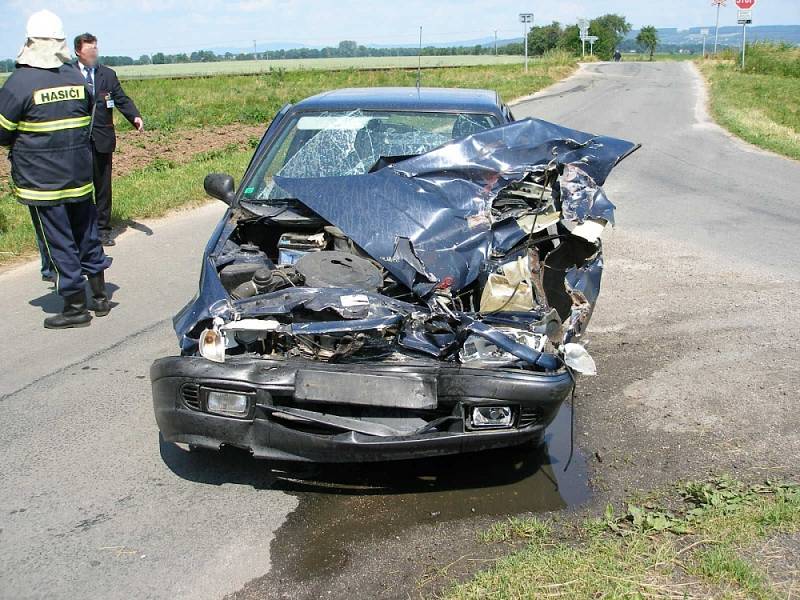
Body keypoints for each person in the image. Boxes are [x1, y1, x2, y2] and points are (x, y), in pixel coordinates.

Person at [0, 10, 112, 329]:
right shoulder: (76, 77)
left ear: (29, 43)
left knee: (58, 241)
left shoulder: (19, 83)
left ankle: (75, 306)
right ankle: (101, 297)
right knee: (87, 233)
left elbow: (2, 131)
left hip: (41, 182)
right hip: (79, 176)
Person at [73, 32, 143, 247]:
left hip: (103, 139)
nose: (94, 53)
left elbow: (121, 99)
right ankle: (83, 229)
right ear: (78, 52)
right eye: (89, 50)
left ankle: (103, 230)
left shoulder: (108, 75)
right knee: (80, 187)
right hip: (77, 141)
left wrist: (135, 116)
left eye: (96, 48)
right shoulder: (67, 74)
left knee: (103, 187)